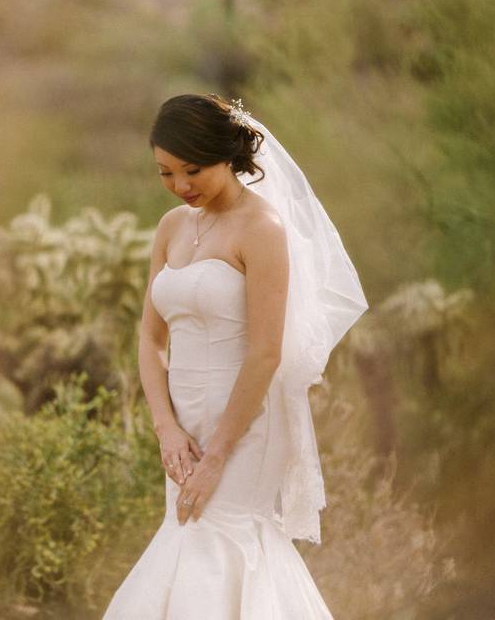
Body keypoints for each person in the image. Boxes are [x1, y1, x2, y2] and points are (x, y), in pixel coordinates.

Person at [102, 93, 368, 619]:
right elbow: (150, 342)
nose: (181, 186)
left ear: (227, 153)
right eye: (166, 173)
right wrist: (167, 429)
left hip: (244, 422)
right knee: (184, 533)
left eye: (193, 169)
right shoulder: (171, 228)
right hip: (182, 425)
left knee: (223, 535)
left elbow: (266, 353)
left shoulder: (262, 229)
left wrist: (219, 450)